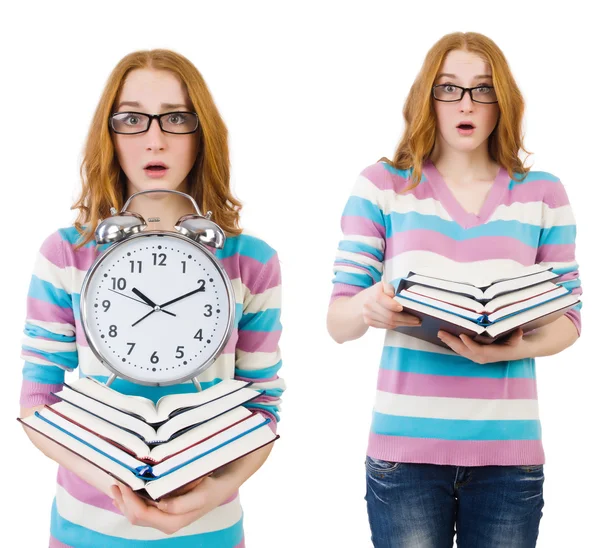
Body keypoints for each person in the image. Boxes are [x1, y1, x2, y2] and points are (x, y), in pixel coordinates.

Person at [19, 49, 284, 547]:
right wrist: (120, 490)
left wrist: (213, 492)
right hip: (85, 532)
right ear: (110, 134)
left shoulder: (251, 261)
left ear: (201, 133)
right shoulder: (66, 256)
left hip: (209, 533)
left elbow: (263, 408)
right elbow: (38, 404)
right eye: (133, 119)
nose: (155, 138)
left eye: (177, 118)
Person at [326, 32, 582, 547]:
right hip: (406, 456)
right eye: (449, 89)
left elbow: (570, 320)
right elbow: (337, 322)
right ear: (428, 99)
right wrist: (369, 305)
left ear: (502, 102)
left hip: (509, 459)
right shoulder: (382, 186)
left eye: (482, 90)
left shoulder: (542, 194)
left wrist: (518, 347)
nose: (466, 104)